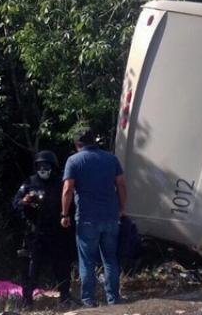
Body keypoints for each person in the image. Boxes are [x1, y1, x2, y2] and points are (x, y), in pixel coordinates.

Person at [60, 126, 127, 307]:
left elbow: (67, 190)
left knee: (87, 260)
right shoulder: (111, 159)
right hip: (111, 217)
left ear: (77, 144)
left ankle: (89, 301)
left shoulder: (73, 161)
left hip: (87, 218)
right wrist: (122, 208)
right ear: (94, 141)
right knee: (110, 259)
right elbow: (121, 185)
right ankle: (114, 299)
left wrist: (64, 214)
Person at [12, 150, 74, 308]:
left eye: (46, 166)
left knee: (61, 266)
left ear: (53, 167)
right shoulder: (29, 182)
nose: (43, 169)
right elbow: (15, 203)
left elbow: (71, 205)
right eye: (40, 165)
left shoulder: (60, 184)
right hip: (35, 233)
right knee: (32, 268)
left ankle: (65, 297)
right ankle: (27, 301)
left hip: (57, 233)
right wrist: (25, 201)